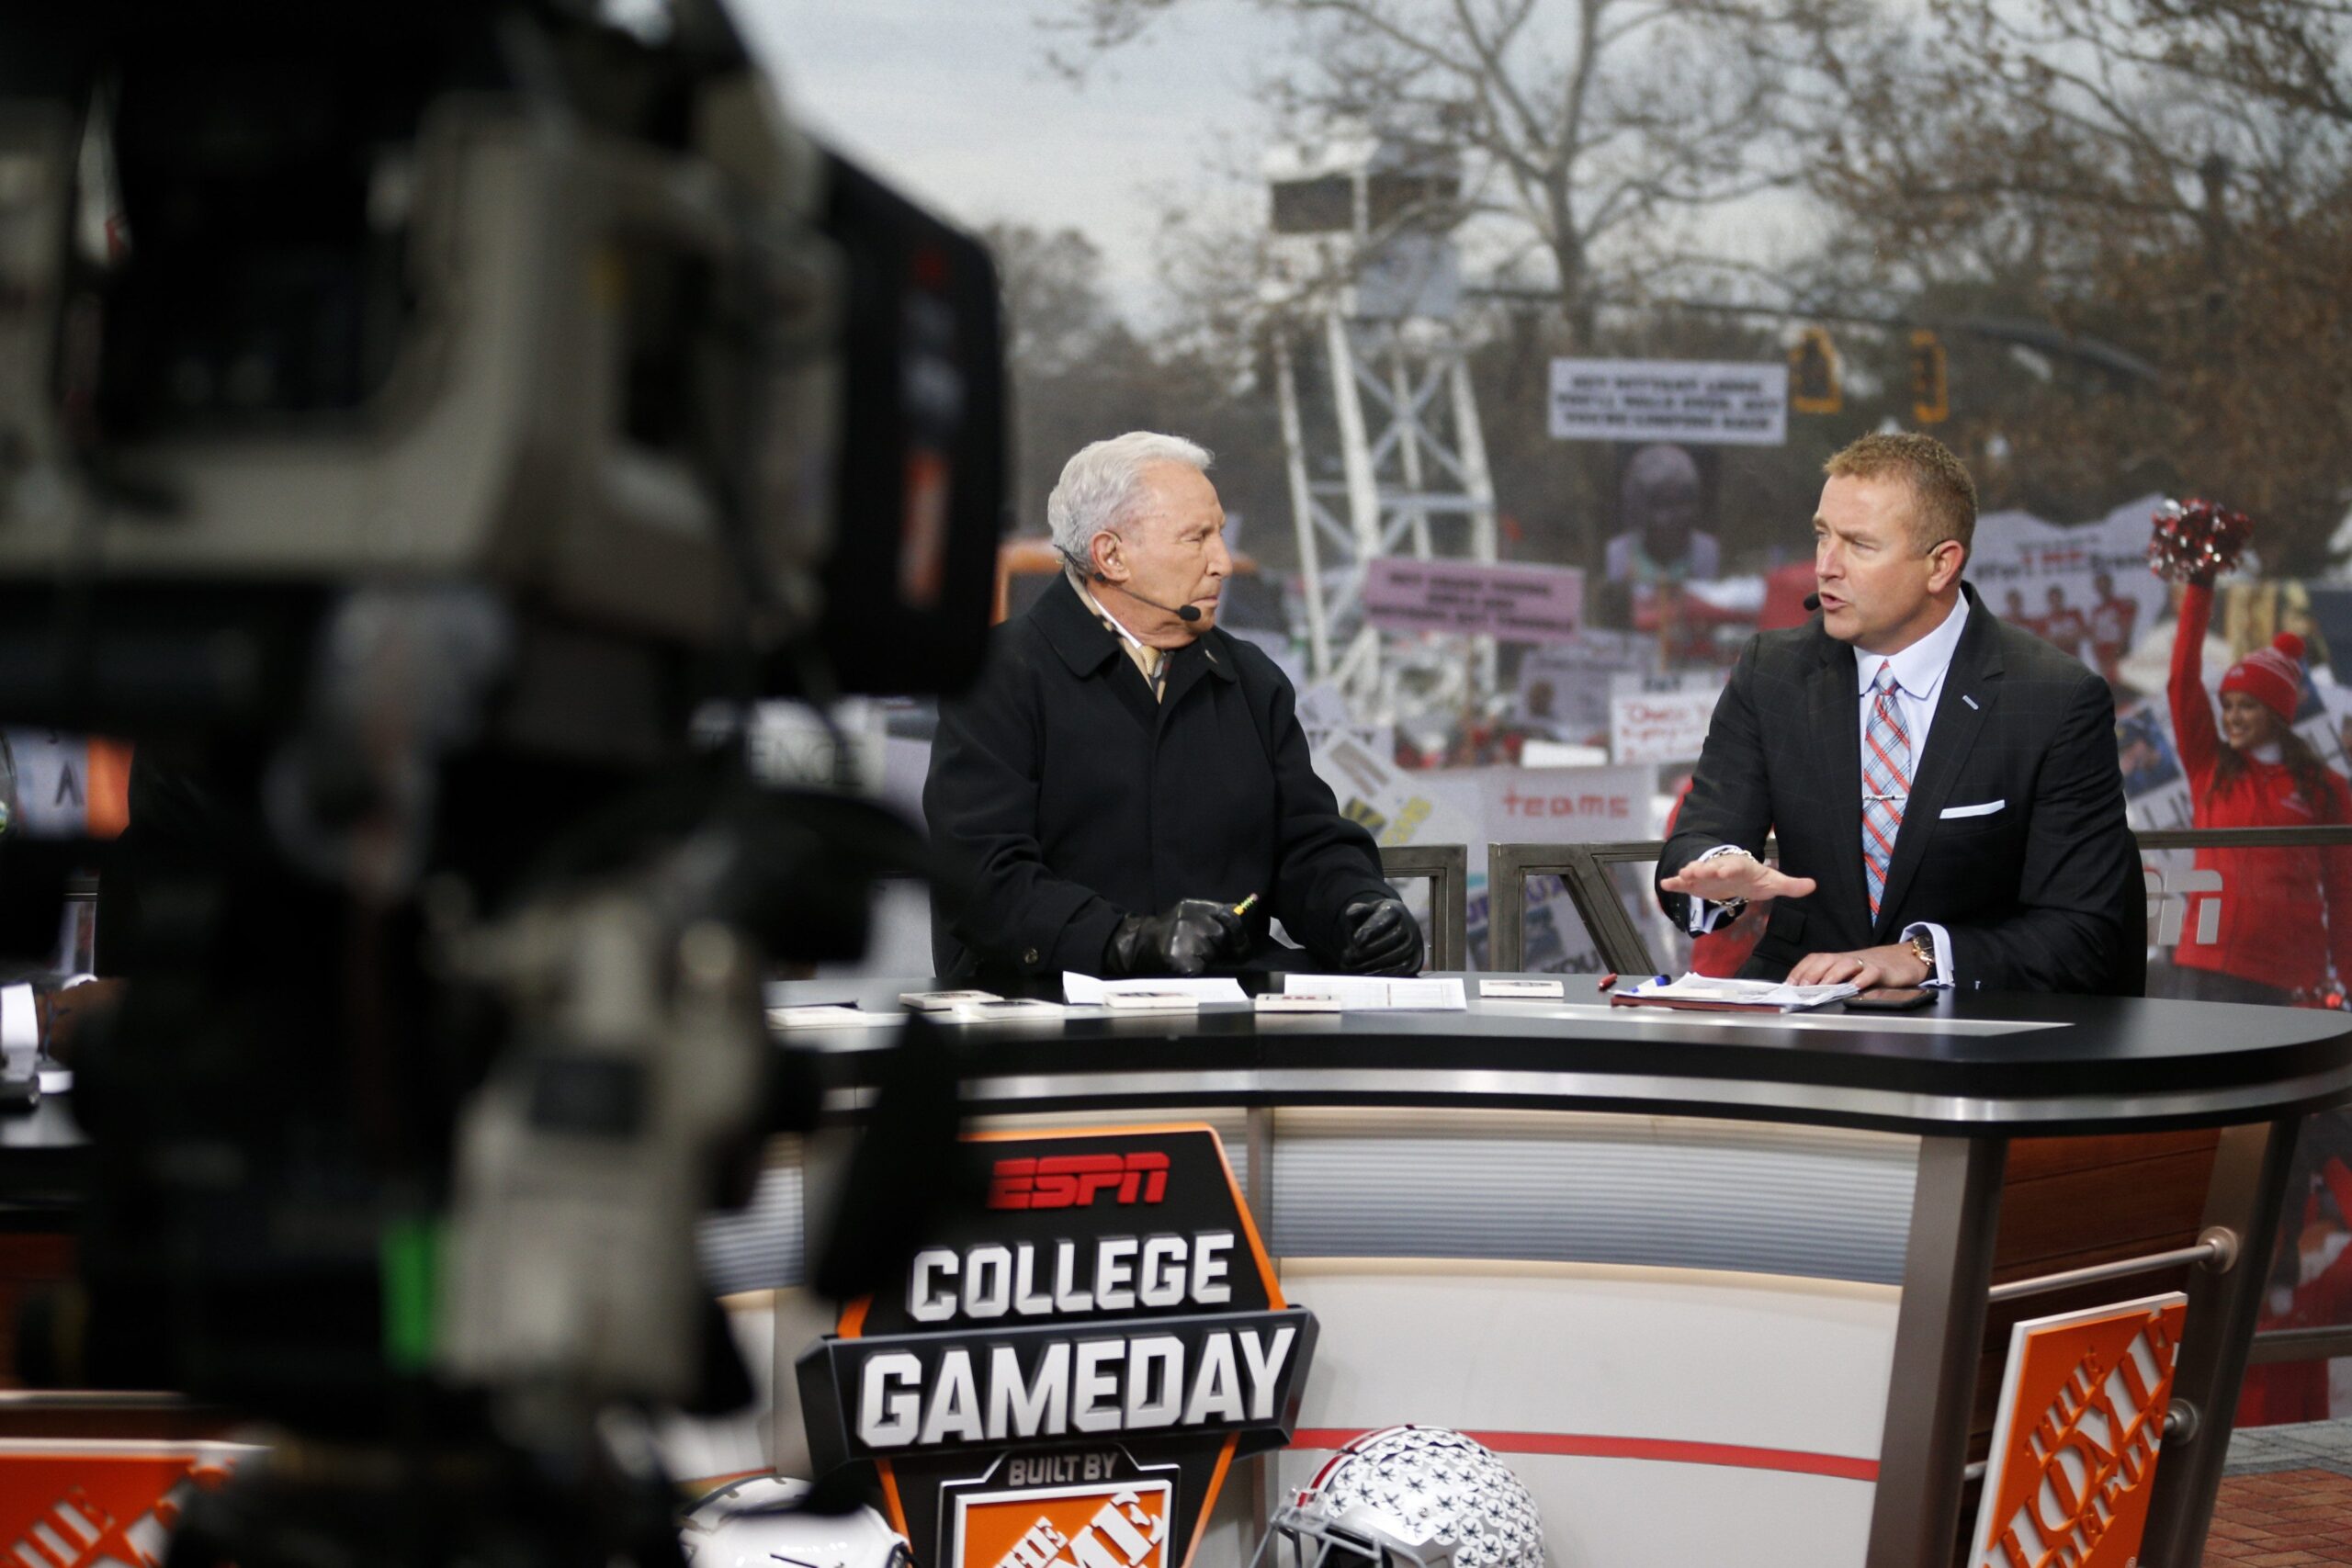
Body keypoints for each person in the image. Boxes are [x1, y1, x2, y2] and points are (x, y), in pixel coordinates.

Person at [1655, 432, 2143, 995]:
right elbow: (1699, 838)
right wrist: (1717, 875)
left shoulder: (2052, 700)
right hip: (1803, 1015)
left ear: (1940, 565)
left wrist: (1921, 957)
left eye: (1859, 545)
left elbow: (2081, 935)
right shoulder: (1772, 673)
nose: (1826, 567)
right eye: (1822, 536)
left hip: (1976, 1029)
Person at [924, 433, 1419, 984]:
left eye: (1220, 536)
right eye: (1197, 538)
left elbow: (1305, 845)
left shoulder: (1252, 680)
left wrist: (1357, 908)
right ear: (1111, 556)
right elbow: (981, 875)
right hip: (1045, 1012)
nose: (1222, 564)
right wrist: (1124, 942)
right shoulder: (999, 674)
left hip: (1228, 1014)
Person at [2164, 573, 2352, 1005]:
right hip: (2207, 964)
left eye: (2246, 705)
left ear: (2277, 712)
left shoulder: (2326, 787)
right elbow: (2181, 681)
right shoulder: (2209, 765)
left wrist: (2347, 977)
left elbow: (2344, 892)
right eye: (2227, 705)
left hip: (2291, 974)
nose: (2232, 717)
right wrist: (2200, 585)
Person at [1603, 444, 1719, 585]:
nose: (1678, 516)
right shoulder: (1618, 553)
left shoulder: (1707, 551)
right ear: (1641, 509)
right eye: (1664, 505)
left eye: (1684, 502)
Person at [2089, 571, 2138, 686]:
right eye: (2099, 585)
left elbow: (2127, 629)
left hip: (2118, 651)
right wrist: (2098, 658)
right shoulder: (2096, 610)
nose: (2102, 588)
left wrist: (2120, 650)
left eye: (2105, 584)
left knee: (2122, 685)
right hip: (2103, 655)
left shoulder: (2122, 604)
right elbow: (2094, 636)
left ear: (2110, 585)